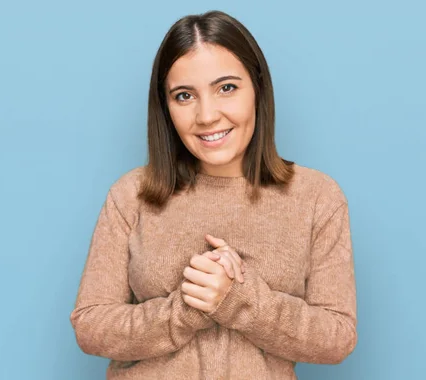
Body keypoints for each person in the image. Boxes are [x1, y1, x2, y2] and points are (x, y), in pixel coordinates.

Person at [70, 10, 357, 380]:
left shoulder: (317, 197)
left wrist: (238, 300)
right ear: (166, 106)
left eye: (226, 88)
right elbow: (90, 325)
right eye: (184, 95)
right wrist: (185, 310)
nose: (206, 116)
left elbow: (337, 337)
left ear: (258, 89)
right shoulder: (131, 196)